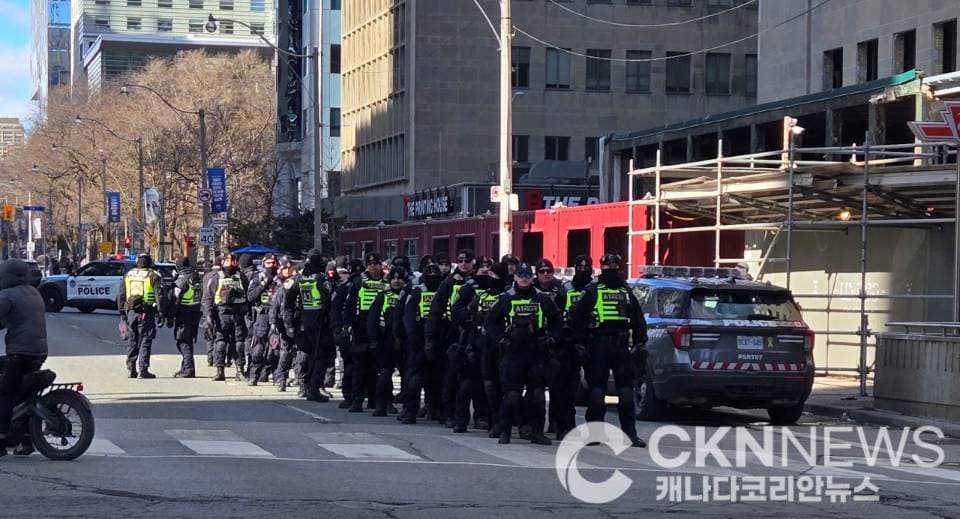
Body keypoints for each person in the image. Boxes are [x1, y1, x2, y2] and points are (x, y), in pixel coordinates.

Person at [569, 253, 648, 448]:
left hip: (621, 347)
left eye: (614, 265)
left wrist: (640, 342)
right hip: (598, 346)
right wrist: (580, 343)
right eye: (607, 265)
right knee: (597, 393)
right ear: (602, 267)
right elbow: (576, 318)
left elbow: (638, 319)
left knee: (627, 393)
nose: (611, 268)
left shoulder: (626, 292)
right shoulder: (592, 290)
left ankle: (630, 434)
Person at [484, 263, 562, 445]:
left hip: (536, 352)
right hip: (513, 353)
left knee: (537, 395)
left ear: (532, 277)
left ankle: (537, 432)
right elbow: (490, 322)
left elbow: (557, 320)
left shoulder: (543, 298)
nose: (524, 278)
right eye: (521, 274)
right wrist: (501, 339)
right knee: (511, 396)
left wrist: (552, 338)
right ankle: (505, 432)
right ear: (515, 277)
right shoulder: (505, 299)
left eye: (527, 274)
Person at [451, 262, 508, 434]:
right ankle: (460, 421)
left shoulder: (508, 297)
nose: (490, 279)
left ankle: (495, 422)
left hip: (501, 348)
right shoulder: (480, 296)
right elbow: (462, 316)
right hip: (478, 346)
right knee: (467, 387)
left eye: (494, 276)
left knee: (494, 388)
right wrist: (469, 345)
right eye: (489, 275)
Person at [0, 260, 48, 457]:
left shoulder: (7, 295)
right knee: (24, 395)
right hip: (38, 351)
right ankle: (27, 439)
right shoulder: (33, 292)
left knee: (5, 394)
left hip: (20, 353)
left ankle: (1, 441)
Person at [425, 249, 475, 427]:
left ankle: (478, 417)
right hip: (450, 334)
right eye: (460, 260)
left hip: (472, 334)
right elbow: (435, 311)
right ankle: (448, 414)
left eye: (467, 260)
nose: (463, 263)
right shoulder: (448, 282)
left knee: (471, 380)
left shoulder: (477, 281)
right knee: (449, 378)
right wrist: (430, 339)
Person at [552, 255, 594, 440]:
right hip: (568, 344)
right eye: (580, 265)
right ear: (575, 267)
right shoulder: (565, 290)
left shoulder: (595, 289)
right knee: (566, 389)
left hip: (593, 341)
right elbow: (555, 316)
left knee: (595, 390)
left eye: (587, 266)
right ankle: (564, 426)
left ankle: (593, 431)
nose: (584, 269)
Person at [343, 253, 387, 412]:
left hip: (382, 328)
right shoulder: (359, 282)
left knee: (379, 367)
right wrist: (348, 325)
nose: (373, 266)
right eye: (370, 264)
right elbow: (350, 305)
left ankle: (375, 400)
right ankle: (357, 400)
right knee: (360, 367)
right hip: (361, 327)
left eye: (376, 263)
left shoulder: (387, 282)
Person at [400, 261, 441, 424]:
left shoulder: (443, 290)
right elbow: (407, 315)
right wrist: (412, 337)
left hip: (438, 339)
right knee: (416, 378)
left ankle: (434, 410)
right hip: (418, 339)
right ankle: (411, 410)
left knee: (436, 377)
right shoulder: (416, 291)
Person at [117, 254, 166, 379]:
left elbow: (121, 294)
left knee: (132, 339)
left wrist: (122, 311)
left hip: (131, 312)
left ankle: (131, 368)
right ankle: (143, 369)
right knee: (145, 339)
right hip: (147, 311)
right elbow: (159, 295)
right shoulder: (154, 275)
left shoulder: (128, 274)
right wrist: (161, 312)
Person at [202, 253, 249, 382]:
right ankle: (225, 370)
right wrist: (209, 315)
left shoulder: (237, 277)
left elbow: (248, 296)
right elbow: (208, 298)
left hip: (233, 314)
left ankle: (233, 370)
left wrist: (248, 311)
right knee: (225, 342)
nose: (229, 263)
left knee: (234, 343)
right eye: (227, 261)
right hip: (225, 314)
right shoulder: (221, 277)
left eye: (231, 261)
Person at [367, 266, 406, 416]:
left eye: (399, 278)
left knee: (408, 376)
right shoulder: (382, 296)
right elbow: (372, 319)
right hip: (386, 341)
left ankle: (407, 406)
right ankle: (383, 404)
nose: (396, 281)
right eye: (393, 278)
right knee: (384, 374)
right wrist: (374, 340)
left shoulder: (409, 295)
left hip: (405, 341)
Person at [299, 250, 334, 401]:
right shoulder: (320, 279)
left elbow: (296, 299)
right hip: (320, 320)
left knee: (313, 355)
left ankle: (307, 386)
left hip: (307, 319)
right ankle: (314, 387)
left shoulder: (302, 278)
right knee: (323, 356)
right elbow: (327, 299)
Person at [331, 258, 364, 409]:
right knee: (357, 366)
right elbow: (337, 308)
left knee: (351, 365)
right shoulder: (353, 286)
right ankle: (355, 396)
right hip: (355, 330)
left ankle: (350, 396)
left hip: (350, 330)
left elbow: (335, 308)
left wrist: (338, 328)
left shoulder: (344, 286)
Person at [268, 257, 302, 392]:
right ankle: (281, 379)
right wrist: (273, 323)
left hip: (300, 323)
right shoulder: (283, 287)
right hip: (285, 324)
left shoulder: (302, 285)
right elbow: (275, 306)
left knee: (300, 354)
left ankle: (301, 380)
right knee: (285, 353)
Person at [246, 254, 280, 386]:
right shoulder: (257, 278)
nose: (272, 266)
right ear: (264, 264)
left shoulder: (281, 279)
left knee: (276, 348)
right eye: (269, 263)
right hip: (263, 315)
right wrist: (263, 285)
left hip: (278, 316)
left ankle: (274, 376)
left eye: (274, 263)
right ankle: (254, 375)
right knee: (258, 348)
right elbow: (251, 297)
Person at [172, 257, 203, 378]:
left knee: (183, 342)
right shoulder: (196, 278)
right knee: (188, 341)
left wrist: (170, 314)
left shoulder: (182, 280)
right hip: (195, 313)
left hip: (183, 313)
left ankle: (189, 369)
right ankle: (185, 367)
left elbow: (175, 299)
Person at [200, 256, 221, 367]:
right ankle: (219, 357)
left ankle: (210, 357)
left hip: (207, 306)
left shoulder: (207, 276)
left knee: (209, 333)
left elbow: (204, 293)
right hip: (219, 307)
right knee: (219, 334)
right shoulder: (222, 276)